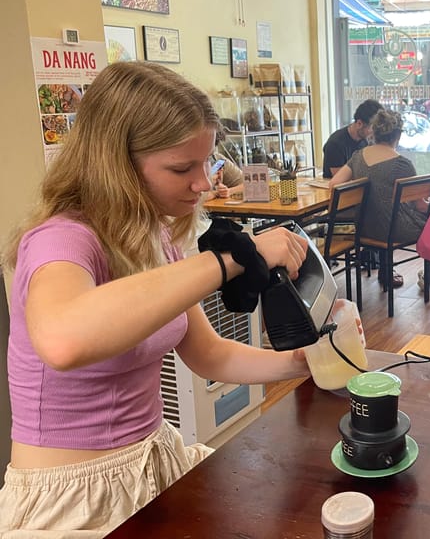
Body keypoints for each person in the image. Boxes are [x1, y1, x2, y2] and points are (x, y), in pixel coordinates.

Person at [0, 61, 311, 536]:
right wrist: (232, 259)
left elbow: (209, 353)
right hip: (72, 500)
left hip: (153, 462)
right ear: (116, 164)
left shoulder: (152, 238)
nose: (204, 183)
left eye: (205, 163)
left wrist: (302, 362)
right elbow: (62, 340)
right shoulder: (59, 240)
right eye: (182, 168)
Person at [329, 109, 430, 287]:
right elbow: (419, 206)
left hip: (364, 229)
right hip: (393, 229)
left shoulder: (357, 158)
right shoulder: (402, 164)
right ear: (398, 136)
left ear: (375, 132)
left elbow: (334, 185)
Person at [322, 99, 382, 178]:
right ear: (359, 123)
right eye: (372, 128)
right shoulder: (335, 144)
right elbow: (340, 178)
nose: (374, 132)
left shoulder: (367, 141)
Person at [208, 128, 245, 200]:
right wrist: (214, 192)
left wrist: (227, 191)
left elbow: (249, 185)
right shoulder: (186, 163)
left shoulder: (218, 161)